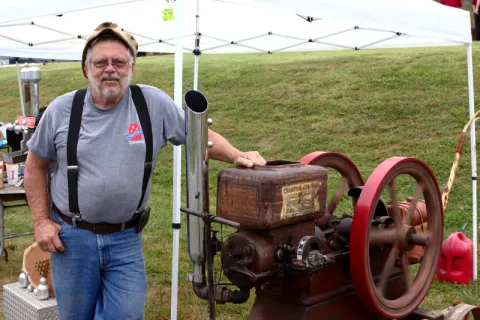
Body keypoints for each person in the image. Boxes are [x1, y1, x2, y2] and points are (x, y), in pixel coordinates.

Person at [24, 22, 266, 320]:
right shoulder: (63, 110)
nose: (110, 69)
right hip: (73, 238)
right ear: (86, 69)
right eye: (101, 62)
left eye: (119, 62)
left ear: (132, 67)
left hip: (126, 240)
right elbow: (35, 165)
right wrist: (40, 222)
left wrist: (236, 154)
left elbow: (199, 137)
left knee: (126, 315)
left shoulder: (151, 103)